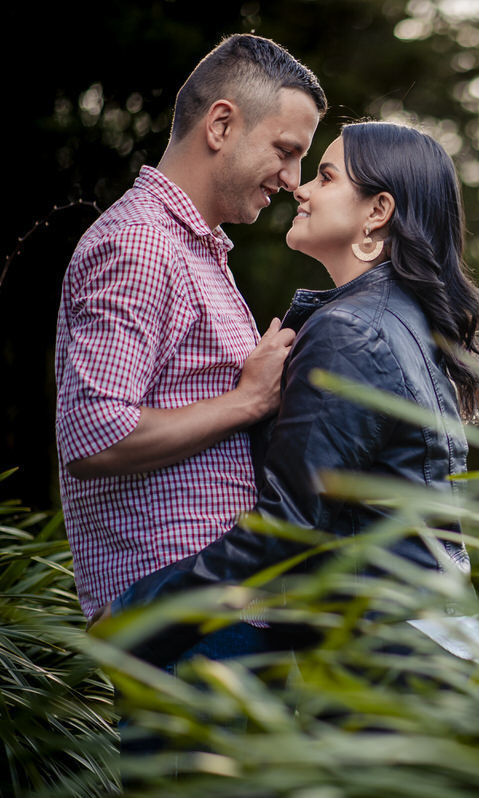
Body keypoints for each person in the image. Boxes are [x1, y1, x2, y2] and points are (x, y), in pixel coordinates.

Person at [107, 121, 479, 667]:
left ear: (377, 211)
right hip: (426, 645)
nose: (302, 188)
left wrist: (145, 619)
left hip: (383, 656)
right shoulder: (404, 323)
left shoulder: (353, 332)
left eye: (326, 176)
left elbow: (288, 524)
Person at [55, 34, 326, 663]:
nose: (292, 180)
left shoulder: (197, 251)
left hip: (217, 607)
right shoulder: (141, 245)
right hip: (175, 609)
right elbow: (95, 437)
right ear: (222, 124)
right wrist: (247, 400)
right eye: (286, 152)